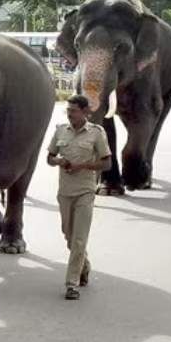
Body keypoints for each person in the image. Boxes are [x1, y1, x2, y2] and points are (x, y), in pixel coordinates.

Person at [46, 96, 112, 299]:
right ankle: (84, 265)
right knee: (69, 235)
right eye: (68, 110)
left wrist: (83, 166)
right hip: (65, 193)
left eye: (74, 110)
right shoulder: (60, 130)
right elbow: (49, 157)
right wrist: (59, 161)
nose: (70, 113)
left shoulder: (96, 133)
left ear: (85, 112)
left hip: (85, 191)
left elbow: (107, 163)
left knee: (79, 239)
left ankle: (71, 284)